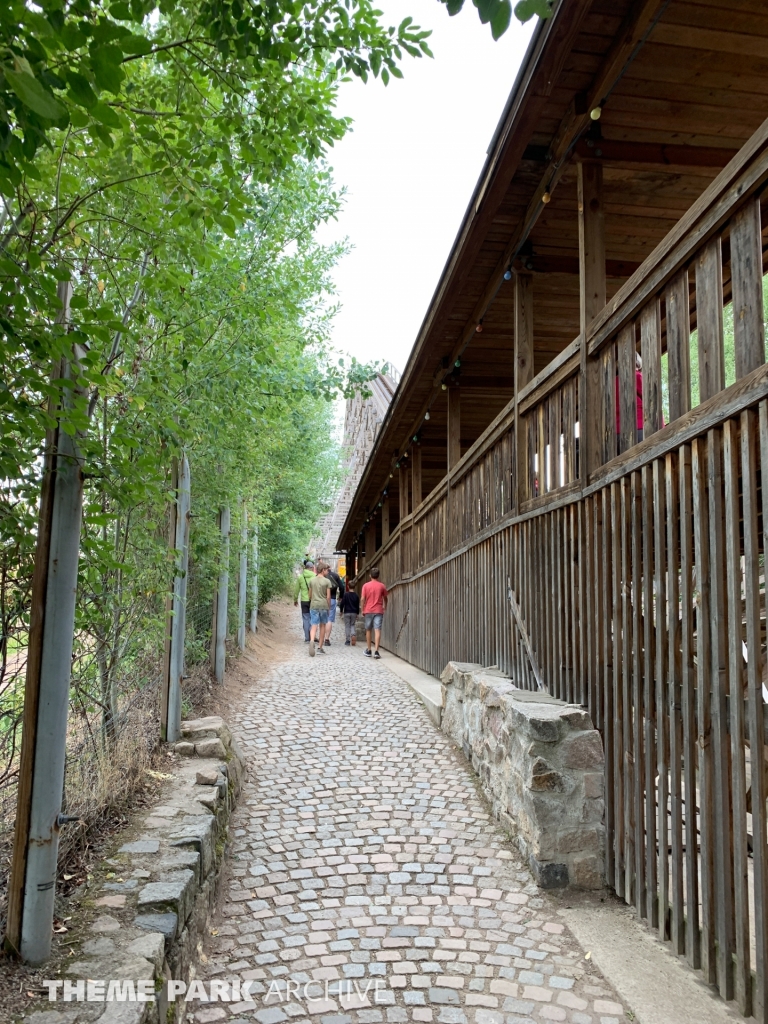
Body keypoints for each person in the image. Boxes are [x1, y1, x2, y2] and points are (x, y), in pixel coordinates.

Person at [360, 567, 388, 659]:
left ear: (370, 576)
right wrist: (385, 605)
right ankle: (376, 651)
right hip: (378, 610)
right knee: (377, 630)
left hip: (368, 610)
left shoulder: (365, 586)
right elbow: (385, 598)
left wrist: (362, 609)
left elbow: (363, 598)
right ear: (378, 576)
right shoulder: (382, 586)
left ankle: (369, 650)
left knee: (368, 630)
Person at [307, 561, 332, 657]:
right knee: (322, 626)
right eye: (327, 570)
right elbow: (328, 597)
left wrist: (313, 599)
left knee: (313, 625)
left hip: (314, 605)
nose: (328, 572)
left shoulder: (312, 581)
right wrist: (328, 607)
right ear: (322, 570)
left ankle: (312, 640)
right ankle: (320, 647)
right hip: (323, 605)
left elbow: (310, 595)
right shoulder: (327, 581)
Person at [293, 559, 315, 642]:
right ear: (312, 568)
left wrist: (295, 600)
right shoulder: (315, 576)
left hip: (304, 601)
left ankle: (307, 638)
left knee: (306, 618)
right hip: (313, 600)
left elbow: (296, 590)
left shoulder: (301, 577)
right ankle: (312, 636)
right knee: (313, 618)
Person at [324, 566, 345, 646]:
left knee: (322, 620)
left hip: (322, 599)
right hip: (332, 599)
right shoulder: (336, 575)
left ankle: (320, 638)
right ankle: (327, 639)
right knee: (329, 620)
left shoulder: (321, 576)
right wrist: (340, 596)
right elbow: (342, 587)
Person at [340, 580, 360, 646]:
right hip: (354, 612)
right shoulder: (356, 596)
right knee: (352, 625)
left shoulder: (346, 594)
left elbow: (342, 603)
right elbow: (357, 605)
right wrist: (357, 613)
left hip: (347, 612)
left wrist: (341, 611)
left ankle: (348, 641)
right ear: (354, 587)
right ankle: (353, 635)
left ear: (348, 587)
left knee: (347, 626)